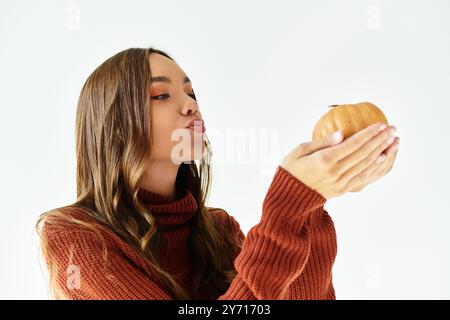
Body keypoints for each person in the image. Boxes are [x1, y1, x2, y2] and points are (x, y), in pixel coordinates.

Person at [35, 47, 400, 300]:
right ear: (114, 125)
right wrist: (289, 204)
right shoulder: (75, 237)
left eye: (191, 92)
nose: (191, 105)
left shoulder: (220, 231)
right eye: (161, 95)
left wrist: (311, 204)